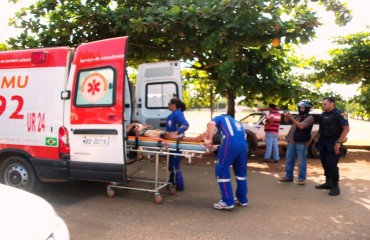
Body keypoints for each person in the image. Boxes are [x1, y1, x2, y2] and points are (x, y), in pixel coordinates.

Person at [204, 114, 248, 210]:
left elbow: (211, 124)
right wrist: (219, 146)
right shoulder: (236, 122)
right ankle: (242, 199)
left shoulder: (220, 118)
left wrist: (209, 139)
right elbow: (236, 139)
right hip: (244, 145)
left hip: (230, 142)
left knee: (222, 169)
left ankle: (227, 201)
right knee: (241, 173)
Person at [314, 97, 350, 196]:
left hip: (334, 142)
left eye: (325, 103)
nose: (323, 105)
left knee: (332, 164)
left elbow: (346, 129)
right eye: (322, 104)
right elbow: (321, 129)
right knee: (325, 162)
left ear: (332, 103)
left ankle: (335, 186)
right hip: (323, 141)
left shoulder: (341, 114)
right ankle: (328, 182)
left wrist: (339, 142)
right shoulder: (323, 115)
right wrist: (317, 137)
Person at [279, 100, 314, 185]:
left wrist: (291, 118)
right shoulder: (298, 116)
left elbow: (301, 126)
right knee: (289, 159)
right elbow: (287, 121)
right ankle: (288, 176)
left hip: (301, 142)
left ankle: (301, 178)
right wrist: (286, 116)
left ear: (307, 108)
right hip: (292, 141)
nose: (301, 109)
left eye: (303, 107)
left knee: (301, 161)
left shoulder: (310, 118)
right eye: (300, 107)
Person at [166, 98, 189, 191]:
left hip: (176, 142)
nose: (168, 105)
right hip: (172, 143)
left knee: (174, 164)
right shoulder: (172, 114)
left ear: (174, 104)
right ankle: (172, 181)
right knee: (171, 164)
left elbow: (185, 124)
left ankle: (179, 184)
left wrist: (177, 132)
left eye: (169, 103)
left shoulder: (177, 114)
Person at [126, 122, 205, 142]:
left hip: (151, 132)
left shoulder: (141, 127)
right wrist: (134, 124)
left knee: (169, 134)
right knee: (167, 135)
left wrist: (144, 126)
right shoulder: (136, 128)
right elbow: (136, 133)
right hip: (148, 133)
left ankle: (194, 138)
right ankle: (194, 139)